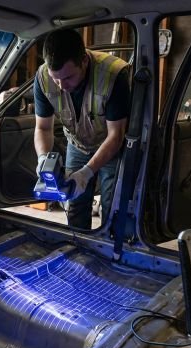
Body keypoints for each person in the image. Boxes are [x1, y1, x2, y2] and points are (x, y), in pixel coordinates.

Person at [33, 28, 130, 229]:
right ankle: (79, 252)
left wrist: (86, 174)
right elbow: (43, 128)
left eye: (68, 77)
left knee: (113, 206)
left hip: (112, 147)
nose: (61, 85)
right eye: (55, 78)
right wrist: (43, 158)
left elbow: (116, 135)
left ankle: (112, 253)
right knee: (74, 204)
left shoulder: (113, 76)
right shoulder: (42, 78)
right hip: (77, 144)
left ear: (84, 61)